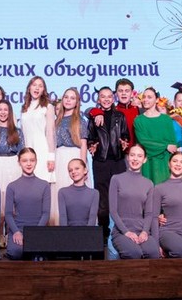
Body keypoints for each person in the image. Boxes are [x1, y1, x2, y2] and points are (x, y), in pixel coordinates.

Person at [86, 86, 129, 230]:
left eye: (109, 96)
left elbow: (125, 134)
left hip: (118, 160)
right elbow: (90, 137)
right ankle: (103, 232)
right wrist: (92, 145)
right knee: (102, 199)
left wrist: (124, 142)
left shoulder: (120, 116)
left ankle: (122, 230)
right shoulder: (93, 116)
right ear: (98, 99)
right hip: (101, 161)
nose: (106, 99)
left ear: (113, 98)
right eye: (103, 96)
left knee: (121, 196)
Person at [110, 144, 160, 259]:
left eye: (139, 156)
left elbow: (149, 213)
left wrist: (145, 232)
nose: (135, 159)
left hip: (141, 230)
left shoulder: (149, 184)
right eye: (132, 155)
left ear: (144, 159)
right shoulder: (116, 179)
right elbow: (113, 211)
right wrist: (126, 232)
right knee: (134, 253)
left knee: (153, 252)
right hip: (121, 231)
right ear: (128, 157)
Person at [4, 148, 51, 260]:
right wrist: (16, 232)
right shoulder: (12, 186)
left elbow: (46, 213)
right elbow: (8, 214)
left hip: (38, 229)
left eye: (32, 160)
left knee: (40, 252)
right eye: (25, 160)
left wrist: (35, 233)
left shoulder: (44, 185)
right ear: (19, 162)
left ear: (36, 161)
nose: (29, 164)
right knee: (16, 252)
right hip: (18, 229)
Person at [50, 87, 89, 223]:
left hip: (74, 156)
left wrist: (83, 167)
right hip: (59, 158)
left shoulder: (80, 120)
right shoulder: (56, 120)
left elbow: (83, 145)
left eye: (72, 98)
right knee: (59, 193)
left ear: (77, 102)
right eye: (66, 97)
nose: (68, 100)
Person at [0, 101, 26, 208]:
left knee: (12, 200)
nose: (3, 112)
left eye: (5, 110)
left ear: (10, 112)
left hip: (13, 165)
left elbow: (22, 152)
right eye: (0, 110)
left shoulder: (18, 132)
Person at [134, 88, 178, 185]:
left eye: (149, 97)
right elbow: (143, 142)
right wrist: (165, 146)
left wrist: (167, 147)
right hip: (147, 162)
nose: (146, 99)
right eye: (144, 97)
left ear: (157, 100)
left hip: (164, 162)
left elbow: (172, 144)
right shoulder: (138, 120)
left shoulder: (166, 120)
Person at [19, 76, 57, 183]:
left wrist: (51, 156)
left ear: (43, 90)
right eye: (34, 85)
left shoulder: (48, 107)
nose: (37, 88)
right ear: (29, 88)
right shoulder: (24, 108)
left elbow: (50, 133)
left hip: (42, 150)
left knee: (42, 183)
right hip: (27, 150)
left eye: (40, 86)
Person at [58, 158, 99, 227]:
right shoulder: (62, 192)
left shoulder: (94, 193)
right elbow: (63, 218)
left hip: (88, 232)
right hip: (68, 232)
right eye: (70, 170)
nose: (73, 172)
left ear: (85, 170)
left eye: (77, 168)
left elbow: (92, 218)